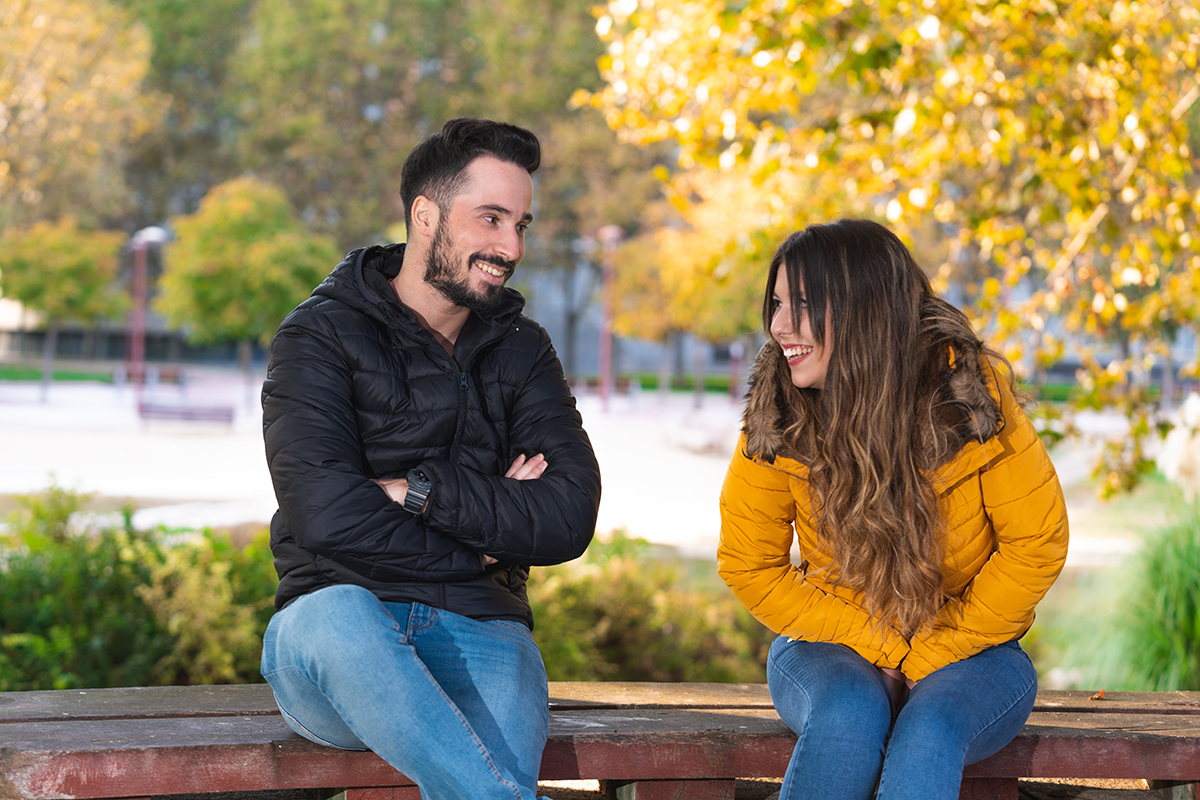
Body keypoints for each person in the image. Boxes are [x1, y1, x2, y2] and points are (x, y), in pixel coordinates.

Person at [259, 118, 602, 800]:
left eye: (522, 225)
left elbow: (568, 514)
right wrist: (480, 548)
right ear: (425, 215)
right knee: (336, 614)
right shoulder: (319, 337)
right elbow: (327, 517)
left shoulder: (521, 349)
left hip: (482, 627)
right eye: (491, 219)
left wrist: (420, 492)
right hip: (337, 645)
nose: (510, 247)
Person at [718, 219, 1068, 800]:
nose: (778, 327)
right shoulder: (777, 413)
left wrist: (928, 656)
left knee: (929, 730)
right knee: (849, 714)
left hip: (976, 647)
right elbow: (748, 563)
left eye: (802, 305)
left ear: (865, 311)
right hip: (829, 644)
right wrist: (884, 649)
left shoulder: (970, 401)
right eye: (776, 304)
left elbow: (1037, 545)